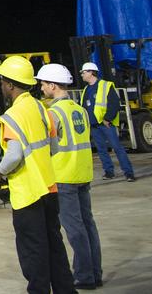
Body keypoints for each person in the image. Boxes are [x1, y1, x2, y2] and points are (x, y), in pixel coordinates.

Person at [0, 55, 75, 294]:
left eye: (3, 81)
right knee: (55, 246)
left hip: (27, 194)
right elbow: (53, 147)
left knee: (33, 253)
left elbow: (13, 156)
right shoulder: (41, 108)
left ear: (11, 85)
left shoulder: (13, 116)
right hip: (49, 188)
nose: (1, 85)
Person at [37, 63, 102, 290]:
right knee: (88, 225)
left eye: (43, 84)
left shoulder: (53, 114)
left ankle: (84, 277)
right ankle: (95, 272)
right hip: (83, 173)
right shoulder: (79, 109)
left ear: (53, 85)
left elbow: (47, 146)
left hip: (64, 176)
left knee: (75, 230)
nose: (42, 88)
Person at [79, 62, 135, 181]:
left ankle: (128, 173)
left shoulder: (105, 85)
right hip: (94, 125)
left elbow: (114, 104)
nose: (82, 75)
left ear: (91, 72)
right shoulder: (86, 89)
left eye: (83, 72)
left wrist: (107, 119)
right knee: (101, 149)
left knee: (117, 147)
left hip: (106, 124)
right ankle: (109, 172)